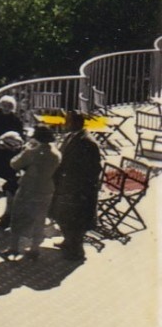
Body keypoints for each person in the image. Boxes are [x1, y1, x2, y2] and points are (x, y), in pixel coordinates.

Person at [50, 111, 102, 262]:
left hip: (79, 189)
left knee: (77, 221)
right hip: (67, 185)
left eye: (68, 121)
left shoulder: (88, 142)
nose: (65, 124)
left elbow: (93, 170)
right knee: (63, 216)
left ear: (76, 123)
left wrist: (81, 190)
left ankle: (77, 252)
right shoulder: (71, 136)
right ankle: (68, 242)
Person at [6, 125, 60, 258]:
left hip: (29, 188)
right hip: (46, 188)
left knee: (18, 217)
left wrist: (26, 150)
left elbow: (14, 164)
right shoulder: (56, 153)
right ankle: (35, 249)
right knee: (39, 219)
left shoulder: (32, 152)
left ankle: (14, 247)